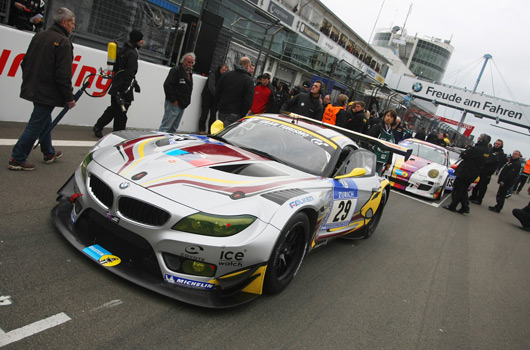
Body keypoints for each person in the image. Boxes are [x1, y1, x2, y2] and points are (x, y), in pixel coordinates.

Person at [8, 7, 76, 171]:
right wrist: (69, 97)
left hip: (34, 86)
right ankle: (17, 158)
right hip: (48, 91)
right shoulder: (63, 42)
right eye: (72, 23)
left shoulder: (40, 35)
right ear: (64, 22)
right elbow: (63, 75)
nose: (73, 27)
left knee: (44, 120)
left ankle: (48, 152)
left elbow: (25, 62)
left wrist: (30, 80)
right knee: (36, 123)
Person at [93, 29, 143, 137]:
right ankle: (118, 135)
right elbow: (130, 72)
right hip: (124, 86)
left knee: (114, 108)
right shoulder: (132, 53)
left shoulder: (123, 49)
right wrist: (125, 90)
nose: (142, 41)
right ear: (137, 40)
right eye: (141, 39)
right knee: (121, 112)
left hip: (116, 83)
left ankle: (99, 126)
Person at [443, 133, 490, 214]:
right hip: (474, 172)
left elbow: (464, 155)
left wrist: (467, 150)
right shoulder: (487, 151)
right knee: (463, 189)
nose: (478, 138)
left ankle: (453, 206)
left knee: (458, 188)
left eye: (480, 137)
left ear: (482, 140)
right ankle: (465, 206)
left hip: (466, 171)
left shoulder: (476, 148)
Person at [159, 52, 195, 133]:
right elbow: (167, 85)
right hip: (174, 104)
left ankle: (169, 144)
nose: (190, 64)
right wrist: (173, 100)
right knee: (165, 128)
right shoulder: (175, 70)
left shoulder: (189, 73)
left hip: (182, 105)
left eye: (192, 62)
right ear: (183, 61)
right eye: (188, 62)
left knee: (173, 129)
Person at [215, 56, 254, 127]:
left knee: (219, 130)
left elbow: (217, 91)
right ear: (248, 66)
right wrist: (242, 114)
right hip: (236, 113)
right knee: (228, 134)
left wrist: (219, 105)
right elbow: (248, 101)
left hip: (222, 110)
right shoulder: (248, 80)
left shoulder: (226, 75)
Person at [469, 139, 505, 205]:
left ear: (501, 145)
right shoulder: (490, 149)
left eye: (498, 144)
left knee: (483, 186)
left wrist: (486, 161)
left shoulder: (500, 153)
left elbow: (495, 161)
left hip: (488, 171)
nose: (496, 145)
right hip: (482, 169)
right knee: (476, 183)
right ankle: (473, 196)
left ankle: (479, 199)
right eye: (496, 143)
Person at [198, 64, 228, 134]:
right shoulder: (213, 74)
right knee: (204, 113)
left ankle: (210, 131)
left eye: (225, 71)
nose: (224, 72)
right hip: (207, 96)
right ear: (220, 69)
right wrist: (217, 96)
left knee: (213, 116)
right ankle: (202, 129)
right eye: (223, 70)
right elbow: (211, 86)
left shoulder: (224, 78)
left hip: (215, 99)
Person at [368, 109, 397, 176]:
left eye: (391, 117)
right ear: (384, 116)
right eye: (387, 115)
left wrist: (389, 162)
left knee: (377, 178)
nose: (388, 118)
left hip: (381, 160)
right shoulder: (377, 127)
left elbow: (391, 148)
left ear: (393, 120)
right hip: (372, 158)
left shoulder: (391, 133)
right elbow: (368, 140)